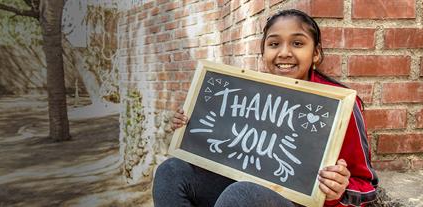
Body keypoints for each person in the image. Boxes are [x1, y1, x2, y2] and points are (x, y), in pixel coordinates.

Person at [153, 9, 378, 207]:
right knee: (171, 172)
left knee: (243, 194)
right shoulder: (249, 93)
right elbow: (220, 152)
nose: (284, 53)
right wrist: (190, 128)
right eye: (273, 44)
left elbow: (367, 186)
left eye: (297, 43)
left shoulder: (339, 104)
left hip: (294, 203)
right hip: (246, 192)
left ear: (316, 53)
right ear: (263, 54)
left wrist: (338, 190)